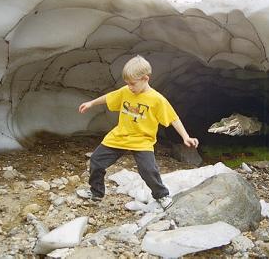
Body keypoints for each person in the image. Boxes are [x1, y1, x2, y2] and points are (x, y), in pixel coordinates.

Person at [76, 55, 199, 210]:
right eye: (127, 84)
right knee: (96, 161)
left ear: (145, 78)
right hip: (120, 136)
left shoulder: (157, 99)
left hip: (142, 140)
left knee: (148, 170)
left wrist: (186, 137)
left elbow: (173, 118)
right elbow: (109, 97)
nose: (130, 87)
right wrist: (92, 103)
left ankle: (162, 196)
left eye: (133, 84)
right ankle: (96, 192)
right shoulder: (126, 91)